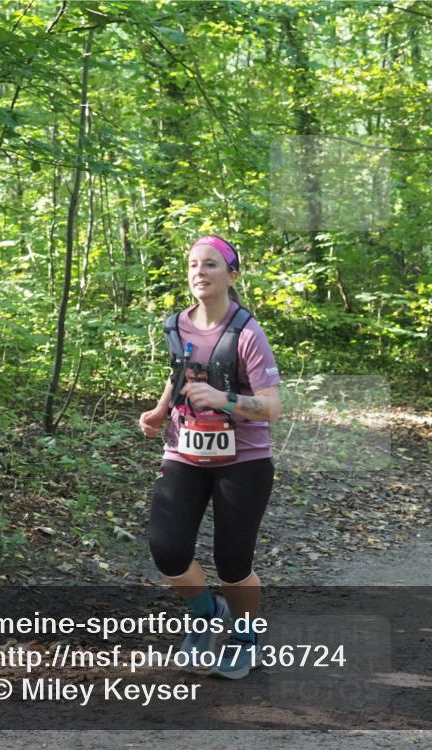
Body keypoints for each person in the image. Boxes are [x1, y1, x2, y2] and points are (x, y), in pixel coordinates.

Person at [139, 235, 282, 679]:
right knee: (167, 550)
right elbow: (178, 372)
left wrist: (224, 399)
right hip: (184, 452)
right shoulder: (175, 325)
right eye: (193, 265)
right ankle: (206, 612)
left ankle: (246, 637)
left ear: (231, 275)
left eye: (211, 265)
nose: (200, 272)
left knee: (233, 562)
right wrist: (161, 410)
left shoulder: (246, 332)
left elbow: (272, 406)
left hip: (244, 459)